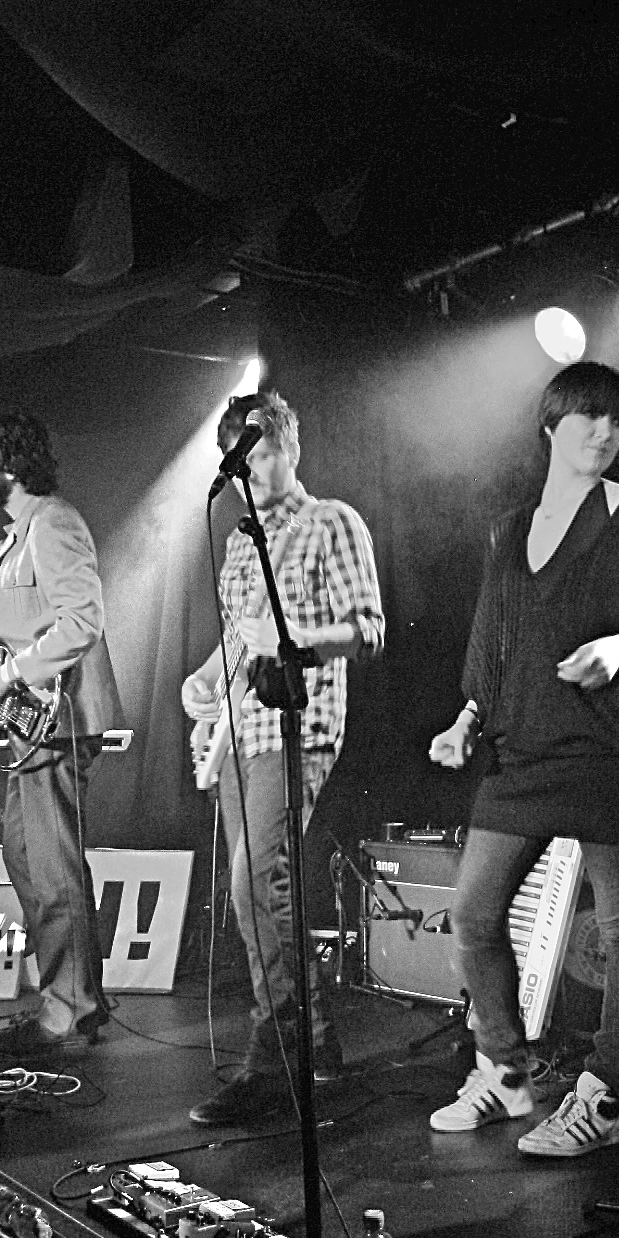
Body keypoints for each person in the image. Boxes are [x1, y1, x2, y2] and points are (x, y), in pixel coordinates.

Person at [428, 361, 619, 1155]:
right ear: (550, 425)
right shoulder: (511, 527)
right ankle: (508, 1073)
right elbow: (495, 636)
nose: (605, 433)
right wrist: (466, 717)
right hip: (526, 754)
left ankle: (602, 1097)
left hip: (610, 751)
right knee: (474, 913)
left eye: (618, 422)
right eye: (589, 417)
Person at [182, 391, 384, 1126]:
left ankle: (274, 1063)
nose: (257, 469)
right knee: (268, 895)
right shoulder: (238, 541)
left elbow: (369, 630)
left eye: (266, 451)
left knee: (252, 887)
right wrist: (205, 679)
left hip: (299, 727)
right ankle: (318, 1045)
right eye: (244, 458)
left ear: (292, 448)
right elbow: (240, 638)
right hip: (239, 733)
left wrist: (292, 639)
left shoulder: (332, 521)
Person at [0, 408, 126, 1056]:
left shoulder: (54, 521)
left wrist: (7, 677)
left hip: (57, 722)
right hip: (31, 722)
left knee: (51, 863)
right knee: (24, 855)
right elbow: (26, 627)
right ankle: (75, 1000)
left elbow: (81, 620)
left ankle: (68, 1014)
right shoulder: (17, 535)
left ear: (5, 462)